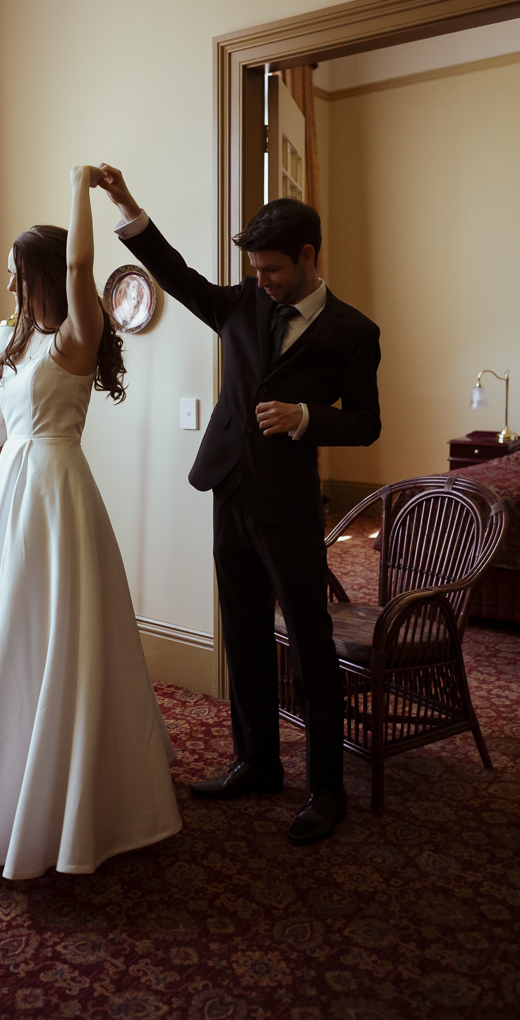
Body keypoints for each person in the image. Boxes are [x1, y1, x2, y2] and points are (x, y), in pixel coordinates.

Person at [96, 165, 381, 846]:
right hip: (229, 489)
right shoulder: (242, 303)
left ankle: (326, 789)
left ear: (308, 256)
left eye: (272, 269)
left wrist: (307, 416)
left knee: (308, 644)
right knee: (245, 634)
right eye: (254, 269)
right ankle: (256, 763)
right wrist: (127, 206)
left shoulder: (353, 331)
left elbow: (366, 423)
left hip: (288, 504)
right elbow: (175, 273)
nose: (262, 280)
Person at [0, 165, 181, 879]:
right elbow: (5, 424)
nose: (10, 285)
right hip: (16, 490)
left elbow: (79, 265)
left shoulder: (77, 332)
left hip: (57, 492)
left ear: (42, 273)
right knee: (13, 625)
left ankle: (76, 786)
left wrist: (80, 185)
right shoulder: (17, 340)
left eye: (17, 273)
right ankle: (11, 772)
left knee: (63, 624)